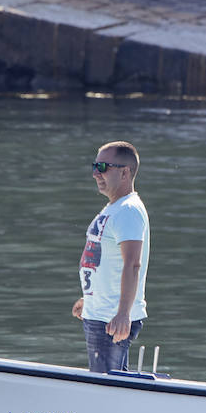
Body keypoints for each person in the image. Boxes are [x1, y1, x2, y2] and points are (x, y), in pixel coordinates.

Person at [70, 140, 150, 373]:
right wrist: (90, 298)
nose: (96, 174)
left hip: (110, 319)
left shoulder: (128, 210)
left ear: (125, 172)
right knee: (110, 384)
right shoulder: (114, 208)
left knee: (106, 386)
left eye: (103, 167)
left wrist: (124, 313)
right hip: (100, 311)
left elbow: (132, 264)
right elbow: (105, 260)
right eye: (94, 166)